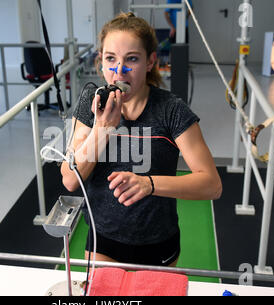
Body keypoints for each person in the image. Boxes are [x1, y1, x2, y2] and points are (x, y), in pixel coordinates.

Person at [61, 12, 221, 267]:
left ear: (150, 62)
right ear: (100, 61)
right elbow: (70, 179)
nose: (119, 71)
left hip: (157, 244)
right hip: (103, 239)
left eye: (132, 59)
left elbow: (212, 184)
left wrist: (150, 184)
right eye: (110, 59)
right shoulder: (92, 102)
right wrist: (101, 129)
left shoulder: (171, 110)